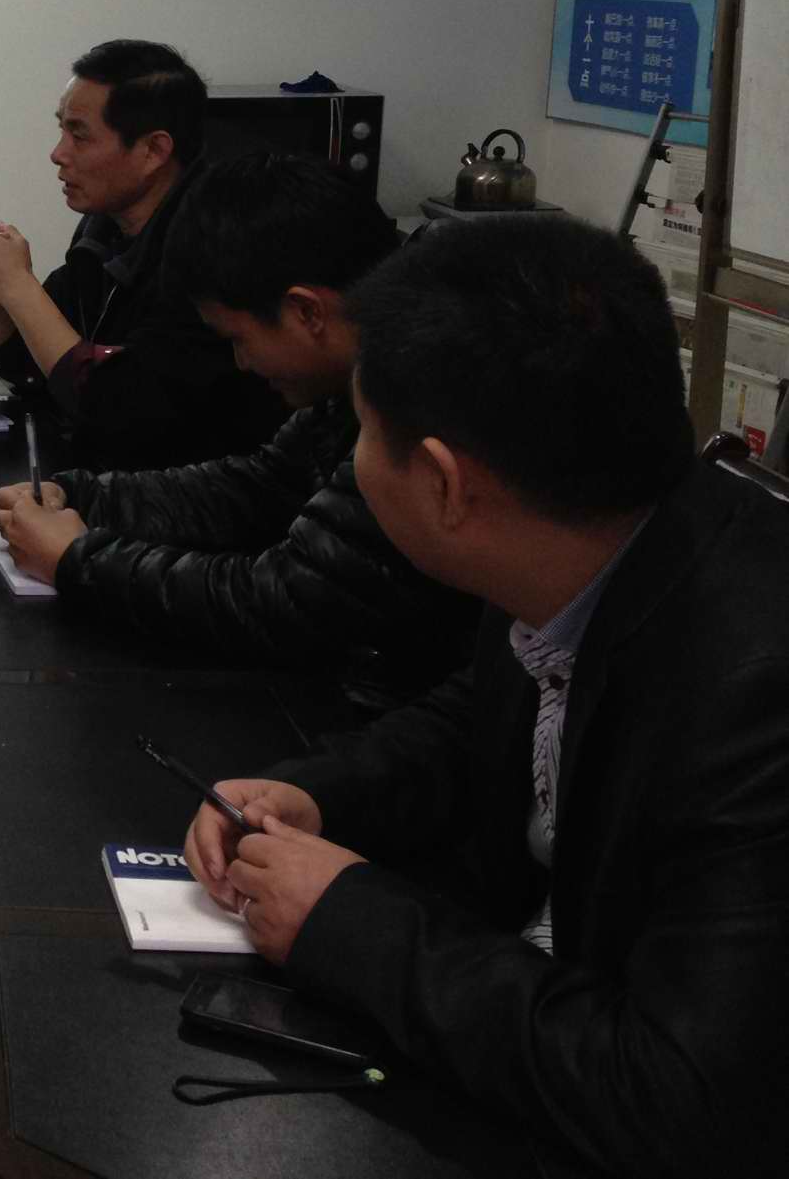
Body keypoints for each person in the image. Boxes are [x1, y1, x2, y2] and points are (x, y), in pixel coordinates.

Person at [180, 215, 786, 1176]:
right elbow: (485, 718)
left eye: (366, 433)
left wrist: (350, 920)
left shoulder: (753, 688)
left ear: (446, 484)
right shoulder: (580, 539)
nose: (354, 459)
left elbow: (674, 1099)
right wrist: (320, 794)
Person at [0, 152, 478, 709]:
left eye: (238, 339)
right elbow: (259, 484)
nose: (240, 363)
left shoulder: (419, 398)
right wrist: (83, 496)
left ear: (307, 312)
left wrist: (78, 561)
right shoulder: (361, 367)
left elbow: (283, 601)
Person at [0, 39, 281, 469]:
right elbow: (35, 368)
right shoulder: (104, 227)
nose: (57, 153)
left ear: (154, 151)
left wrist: (17, 286)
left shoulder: (210, 250)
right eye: (61, 129)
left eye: (79, 135)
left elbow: (117, 409)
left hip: (175, 488)